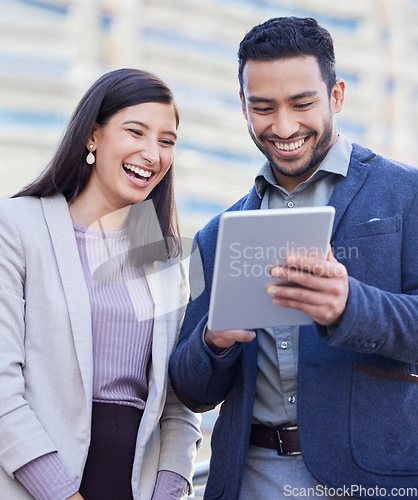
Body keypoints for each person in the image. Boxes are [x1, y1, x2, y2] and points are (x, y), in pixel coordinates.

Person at [169, 16, 418, 499]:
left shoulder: (405, 194)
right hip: (250, 480)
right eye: (263, 108)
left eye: (302, 104)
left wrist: (349, 305)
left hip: (373, 481)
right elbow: (192, 389)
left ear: (337, 95)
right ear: (243, 106)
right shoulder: (218, 235)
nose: (283, 127)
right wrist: (213, 342)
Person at [0, 68, 202, 500]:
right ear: (93, 135)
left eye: (167, 141)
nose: (153, 153)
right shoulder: (17, 226)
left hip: (136, 487)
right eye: (136, 132)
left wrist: (169, 491)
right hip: (37, 485)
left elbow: (177, 407)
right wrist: (60, 493)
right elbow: (2, 391)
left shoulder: (162, 255)